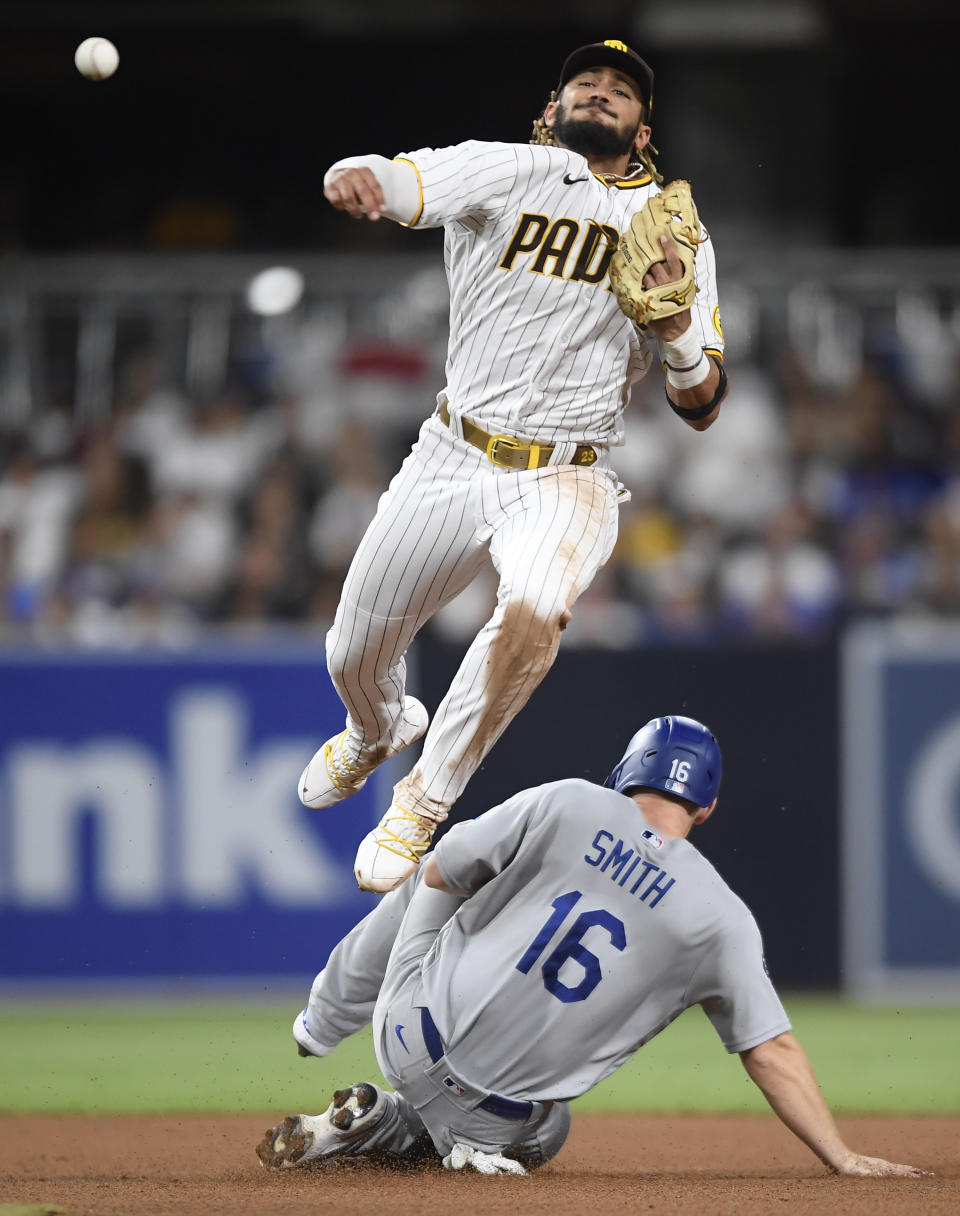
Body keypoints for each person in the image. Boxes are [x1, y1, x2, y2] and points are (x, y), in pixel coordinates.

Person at [300, 38, 730, 894]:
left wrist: (679, 329)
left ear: (646, 131)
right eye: (586, 82)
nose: (603, 92)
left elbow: (704, 404)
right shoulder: (500, 169)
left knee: (537, 607)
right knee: (353, 652)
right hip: (453, 454)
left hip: (569, 474)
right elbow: (401, 180)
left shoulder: (676, 238)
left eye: (622, 90)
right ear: (552, 108)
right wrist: (356, 174)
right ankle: (377, 727)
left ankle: (422, 802)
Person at [258, 716, 927, 1180]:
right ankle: (424, 1134)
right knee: (551, 1131)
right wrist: (839, 1154)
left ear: (625, 772)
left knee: (435, 877)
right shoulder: (722, 918)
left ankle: (324, 1025)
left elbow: (438, 871)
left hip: (404, 1032)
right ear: (709, 807)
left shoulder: (570, 800)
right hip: (497, 1122)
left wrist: (436, 929)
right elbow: (770, 1050)